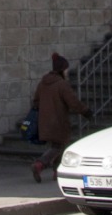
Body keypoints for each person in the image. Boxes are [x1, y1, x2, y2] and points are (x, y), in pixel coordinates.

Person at [31, 52, 91, 182]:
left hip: (45, 120)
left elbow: (36, 100)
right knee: (58, 146)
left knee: (58, 145)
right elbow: (73, 102)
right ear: (62, 69)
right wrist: (86, 111)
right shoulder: (62, 84)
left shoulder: (43, 82)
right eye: (66, 69)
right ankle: (40, 164)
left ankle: (57, 172)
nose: (67, 71)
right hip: (58, 121)